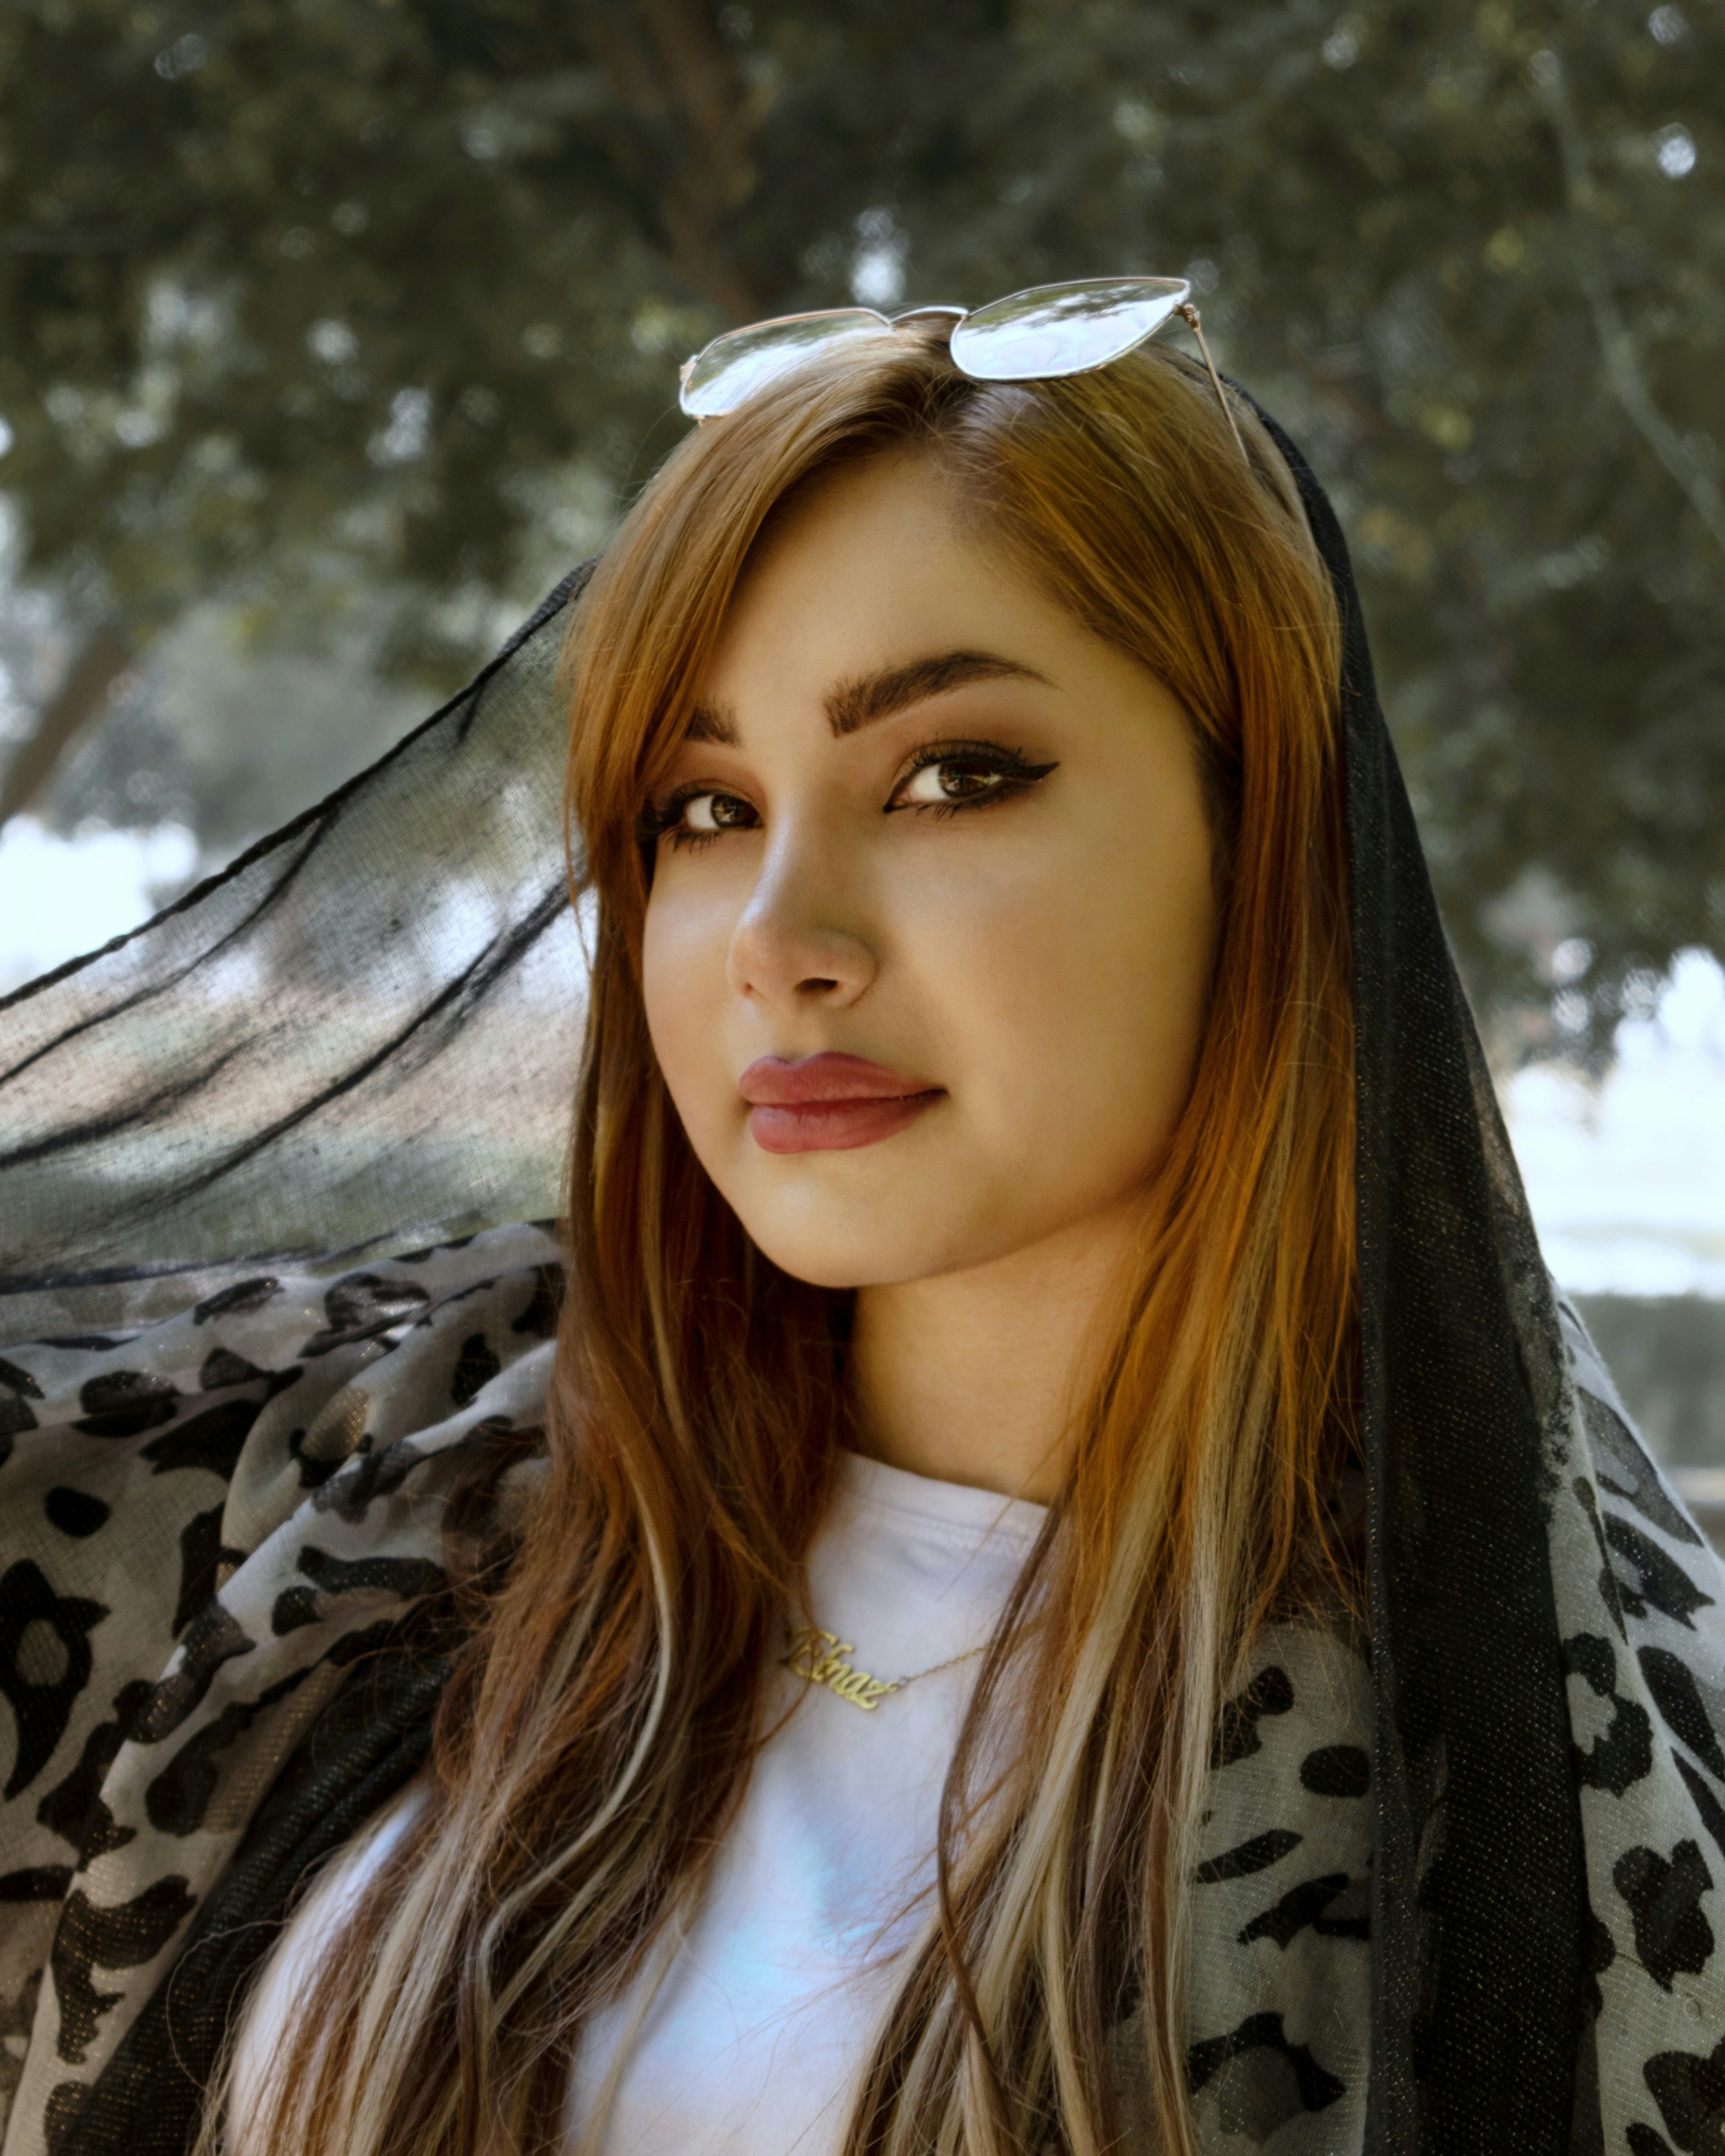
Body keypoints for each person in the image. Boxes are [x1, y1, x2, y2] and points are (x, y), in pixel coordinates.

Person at [0, 285, 1720, 2156]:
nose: (779, 938)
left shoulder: (1538, 1775)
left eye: (950, 774)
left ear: (1271, 840)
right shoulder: (393, 1474)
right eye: (703, 806)